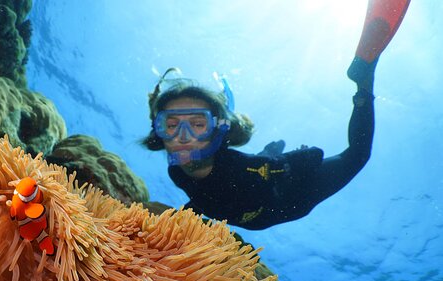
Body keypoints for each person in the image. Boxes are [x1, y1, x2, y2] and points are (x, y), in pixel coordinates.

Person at [142, 0, 410, 230]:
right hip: (263, 183)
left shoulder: (239, 168)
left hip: (297, 193)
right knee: (267, 155)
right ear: (158, 133)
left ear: (219, 128)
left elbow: (293, 162)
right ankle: (272, 147)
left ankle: (364, 84)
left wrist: (307, 156)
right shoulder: (176, 172)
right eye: (171, 125)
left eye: (197, 124)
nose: (183, 136)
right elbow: (206, 202)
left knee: (357, 156)